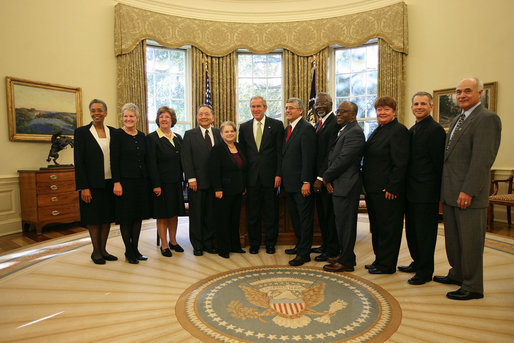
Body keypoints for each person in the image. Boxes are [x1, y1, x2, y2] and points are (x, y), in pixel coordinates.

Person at [435, 77, 501, 300]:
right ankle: (458, 273)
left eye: (467, 91)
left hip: (468, 194)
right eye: (459, 91)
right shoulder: (457, 120)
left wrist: (469, 190)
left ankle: (473, 286)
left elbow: (482, 160)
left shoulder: (487, 119)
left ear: (480, 93)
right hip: (451, 191)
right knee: (454, 240)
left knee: (471, 242)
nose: (462, 95)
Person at [399, 92, 446, 285]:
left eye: (423, 104)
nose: (419, 107)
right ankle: (417, 262)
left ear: (431, 107)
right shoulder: (413, 129)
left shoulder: (435, 130)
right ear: (411, 108)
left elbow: (438, 165)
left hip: (426, 192)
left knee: (425, 233)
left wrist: (436, 192)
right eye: (416, 104)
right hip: (411, 191)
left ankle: (425, 271)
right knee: (412, 231)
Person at [362, 96, 409, 274]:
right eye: (379, 109)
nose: (382, 112)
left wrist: (392, 187)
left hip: (387, 191)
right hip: (373, 190)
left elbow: (401, 163)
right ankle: (379, 260)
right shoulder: (379, 130)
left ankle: (387, 265)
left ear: (394, 111)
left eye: (386, 109)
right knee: (378, 228)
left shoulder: (398, 131)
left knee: (389, 229)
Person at [321, 101, 365, 272]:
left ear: (353, 115)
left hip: (347, 185)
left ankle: (347, 261)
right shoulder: (346, 130)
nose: (338, 114)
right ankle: (344, 255)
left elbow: (343, 160)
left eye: (343, 112)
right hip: (340, 184)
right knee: (341, 224)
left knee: (346, 226)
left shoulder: (355, 132)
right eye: (338, 111)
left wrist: (325, 178)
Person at [238, 96, 283, 254]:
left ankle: (271, 243)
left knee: (271, 212)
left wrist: (278, 174)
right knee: (253, 213)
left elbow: (279, 152)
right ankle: (255, 243)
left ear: (265, 107)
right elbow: (242, 155)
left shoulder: (276, 125)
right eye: (253, 106)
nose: (255, 109)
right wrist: (243, 181)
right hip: (251, 178)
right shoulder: (243, 127)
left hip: (270, 177)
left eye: (258, 106)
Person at [74, 99, 117, 265]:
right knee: (94, 218)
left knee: (106, 218)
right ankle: (96, 251)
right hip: (91, 185)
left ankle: (104, 249)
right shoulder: (82, 133)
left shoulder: (113, 132)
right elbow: (79, 161)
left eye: (99, 110)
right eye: (93, 110)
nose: (96, 113)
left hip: (110, 183)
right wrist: (83, 187)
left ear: (106, 113)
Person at [111, 103, 151, 264]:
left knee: (138, 217)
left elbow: (146, 160)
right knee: (126, 218)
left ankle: (135, 249)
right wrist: (116, 182)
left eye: (131, 116)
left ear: (138, 118)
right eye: (126, 116)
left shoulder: (142, 136)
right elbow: (114, 161)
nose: (128, 119)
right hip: (124, 183)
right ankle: (128, 251)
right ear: (122, 118)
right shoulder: (117, 135)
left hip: (141, 182)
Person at [181, 104, 222, 256]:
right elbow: (186, 158)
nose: (203, 116)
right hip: (196, 182)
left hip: (215, 183)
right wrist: (191, 178)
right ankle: (197, 245)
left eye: (207, 114)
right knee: (197, 215)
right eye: (200, 114)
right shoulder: (190, 134)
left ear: (213, 117)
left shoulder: (219, 133)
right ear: (197, 117)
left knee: (211, 215)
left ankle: (208, 243)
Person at [146, 106, 186, 258]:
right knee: (162, 215)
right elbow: (151, 164)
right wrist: (156, 184)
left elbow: (182, 161)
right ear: (158, 120)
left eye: (167, 117)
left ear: (172, 120)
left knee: (174, 214)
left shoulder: (178, 137)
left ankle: (173, 241)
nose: (164, 119)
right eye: (161, 116)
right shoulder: (152, 138)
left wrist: (184, 179)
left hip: (176, 182)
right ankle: (164, 244)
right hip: (161, 184)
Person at [281, 98, 316, 266]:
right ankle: (300, 245)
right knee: (295, 218)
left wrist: (307, 181)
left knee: (304, 219)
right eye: (286, 108)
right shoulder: (287, 128)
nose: (287, 110)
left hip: (302, 184)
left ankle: (304, 253)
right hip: (289, 184)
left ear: (301, 111)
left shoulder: (306, 129)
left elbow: (308, 158)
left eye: (291, 108)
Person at [209, 121, 247, 258]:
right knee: (223, 220)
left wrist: (243, 186)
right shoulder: (217, 149)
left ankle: (235, 246)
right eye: (226, 131)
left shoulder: (239, 147)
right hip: (223, 191)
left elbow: (243, 169)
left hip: (238, 190)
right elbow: (214, 171)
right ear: (221, 134)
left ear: (235, 133)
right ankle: (223, 249)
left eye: (232, 131)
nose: (230, 133)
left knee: (234, 219)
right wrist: (217, 188)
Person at [311, 92, 340, 262]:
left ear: (330, 104)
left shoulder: (334, 123)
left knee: (329, 215)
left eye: (322, 103)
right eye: (317, 104)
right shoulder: (320, 123)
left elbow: (330, 154)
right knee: (322, 214)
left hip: (327, 179)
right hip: (319, 177)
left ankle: (332, 249)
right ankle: (326, 243)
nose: (319, 106)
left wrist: (321, 178)